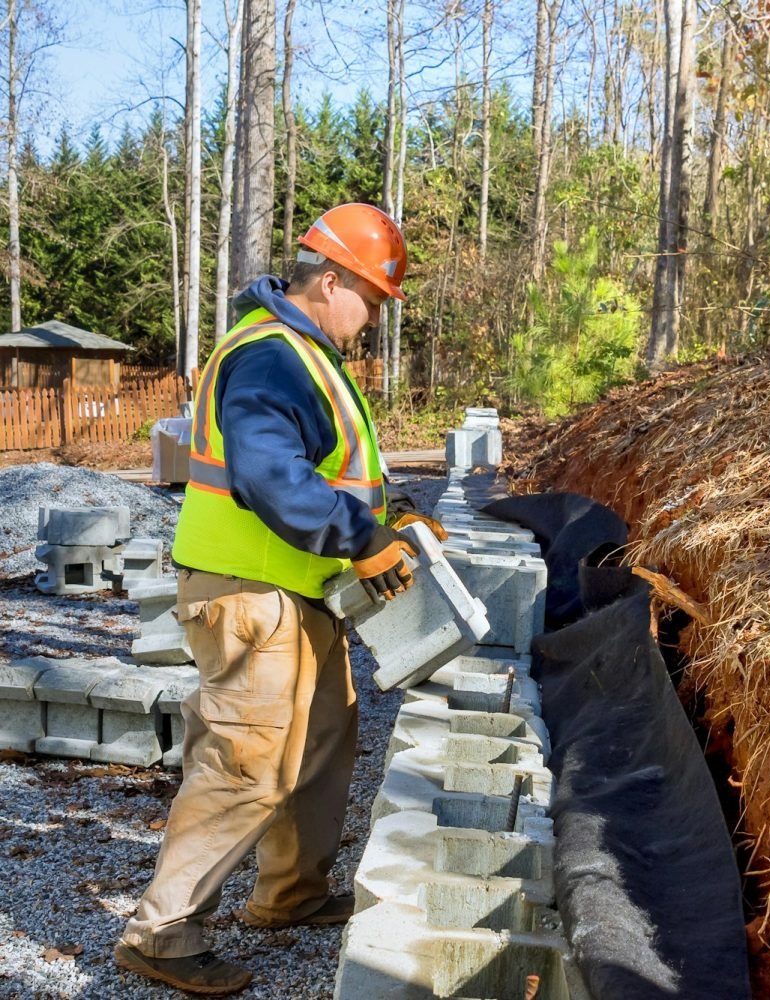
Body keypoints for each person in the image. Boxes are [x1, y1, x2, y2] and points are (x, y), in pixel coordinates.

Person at [114, 203, 438, 995]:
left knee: (322, 744)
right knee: (246, 762)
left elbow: (322, 471)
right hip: (250, 593)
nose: (372, 321)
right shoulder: (272, 355)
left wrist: (385, 524)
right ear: (329, 281)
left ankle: (287, 897)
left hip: (298, 592)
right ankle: (161, 931)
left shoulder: (305, 355)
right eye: (370, 300)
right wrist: (361, 539)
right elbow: (270, 477)